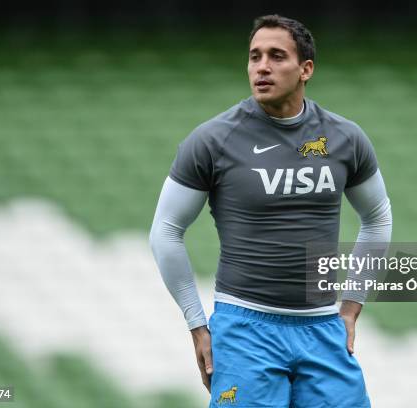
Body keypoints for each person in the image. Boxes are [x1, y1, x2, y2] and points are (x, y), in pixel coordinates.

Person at [150, 14, 392, 407]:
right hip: (245, 329)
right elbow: (165, 229)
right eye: (254, 56)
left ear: (305, 69)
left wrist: (350, 309)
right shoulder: (212, 140)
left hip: (323, 327)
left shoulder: (346, 138)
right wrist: (197, 324)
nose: (262, 66)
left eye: (277, 56)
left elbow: (378, 217)